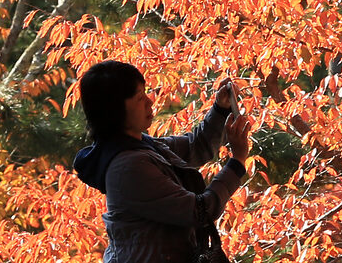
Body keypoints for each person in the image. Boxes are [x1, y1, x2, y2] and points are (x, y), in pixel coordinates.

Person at [73, 60, 253, 263]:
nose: (150, 102)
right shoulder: (128, 166)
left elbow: (197, 146)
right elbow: (200, 211)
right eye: (140, 98)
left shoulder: (143, 146)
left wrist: (221, 109)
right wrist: (237, 161)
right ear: (114, 110)